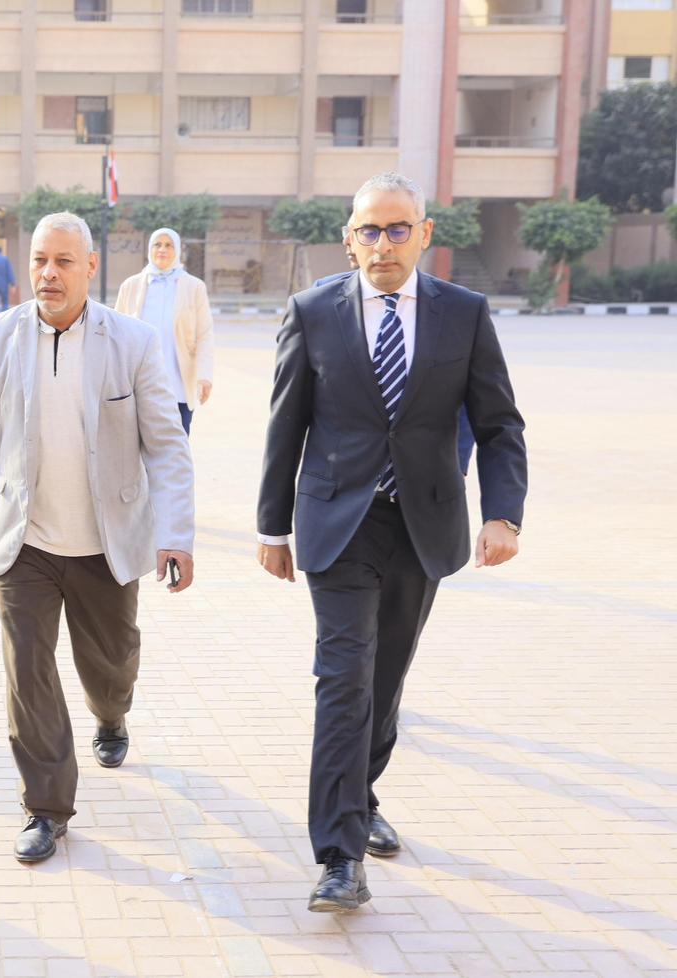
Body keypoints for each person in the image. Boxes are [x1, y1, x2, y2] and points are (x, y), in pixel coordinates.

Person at [257, 172, 527, 913]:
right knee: (343, 679)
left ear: (424, 234)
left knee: (384, 682)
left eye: (398, 228)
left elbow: (500, 423)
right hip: (337, 524)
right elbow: (286, 425)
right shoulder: (312, 312)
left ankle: (362, 796)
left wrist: (504, 515)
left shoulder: (463, 314)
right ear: (349, 239)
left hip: (421, 524)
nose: (384, 243)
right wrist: (272, 526)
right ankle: (339, 856)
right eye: (369, 230)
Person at [0, 212, 196, 864]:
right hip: (25, 543)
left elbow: (167, 446)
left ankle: (112, 712)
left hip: (106, 543)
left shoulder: (134, 342)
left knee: (111, 663)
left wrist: (176, 533)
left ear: (91, 267)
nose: (48, 273)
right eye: (40, 260)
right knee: (27, 672)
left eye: (64, 261)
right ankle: (46, 808)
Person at [315, 235, 476, 476]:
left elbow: (467, 400)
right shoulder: (321, 299)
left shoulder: (451, 305)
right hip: (345, 474)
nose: (347, 242)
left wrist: (457, 464)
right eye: (355, 232)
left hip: (423, 474)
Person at [113, 227, 215, 435]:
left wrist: (204, 375)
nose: (162, 249)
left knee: (176, 446)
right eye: (157, 244)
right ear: (149, 249)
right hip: (139, 385)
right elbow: (116, 335)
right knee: (136, 445)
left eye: (168, 245)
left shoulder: (194, 287)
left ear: (177, 250)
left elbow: (204, 334)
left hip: (178, 386)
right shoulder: (131, 286)